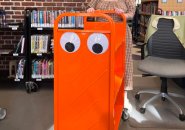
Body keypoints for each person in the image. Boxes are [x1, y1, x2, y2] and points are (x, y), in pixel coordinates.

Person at [87, 0, 136, 114]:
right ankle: (101, 96)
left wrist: (123, 15)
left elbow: (131, 13)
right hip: (100, 34)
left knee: (123, 63)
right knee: (100, 65)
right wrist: (90, 11)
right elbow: (90, 10)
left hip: (121, 33)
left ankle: (123, 98)